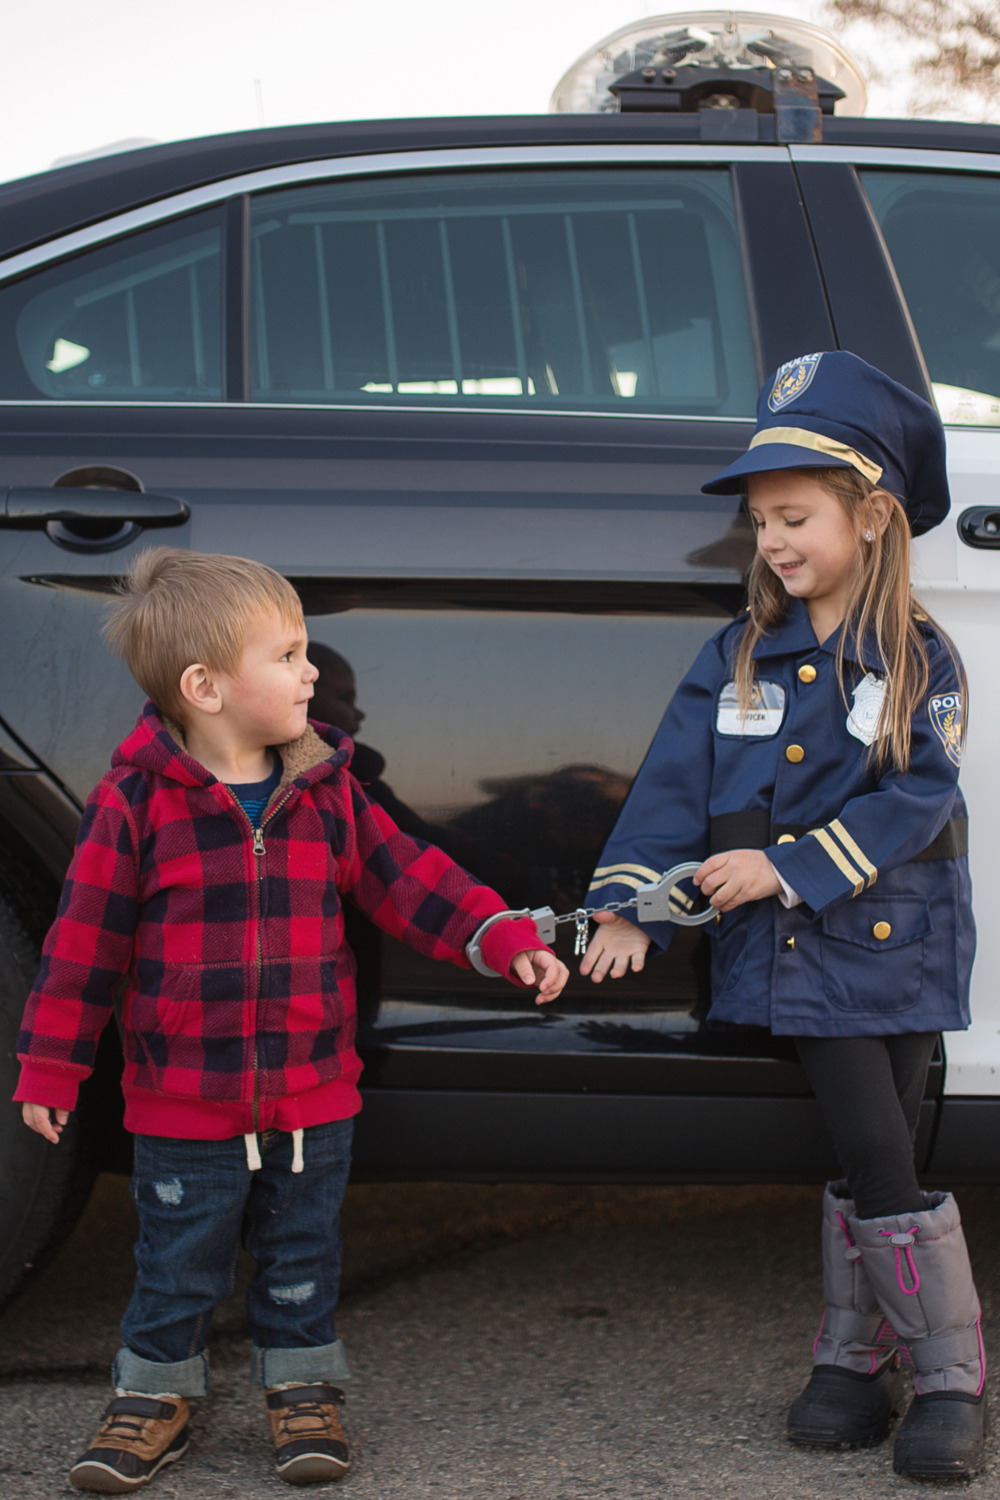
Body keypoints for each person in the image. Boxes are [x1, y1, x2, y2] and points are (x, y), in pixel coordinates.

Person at [14, 548, 567, 1493]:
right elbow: (81, 947)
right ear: (207, 686)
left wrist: (498, 931)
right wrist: (50, 1070)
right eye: (290, 653)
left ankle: (303, 1389)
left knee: (302, 1256)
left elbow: (413, 880)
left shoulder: (326, 792)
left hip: (314, 1098)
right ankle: (154, 1396)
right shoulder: (135, 806)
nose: (313, 670)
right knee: (177, 1267)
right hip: (183, 1104)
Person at [579, 352, 983, 1482]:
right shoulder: (735, 655)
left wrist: (787, 866)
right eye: (759, 521)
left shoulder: (915, 658)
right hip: (800, 960)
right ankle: (860, 1362)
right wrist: (629, 911)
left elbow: (917, 797)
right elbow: (668, 792)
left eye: (794, 515)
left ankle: (944, 1373)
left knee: (880, 1144)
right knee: (867, 1148)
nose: (771, 541)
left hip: (887, 943)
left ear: (872, 515)